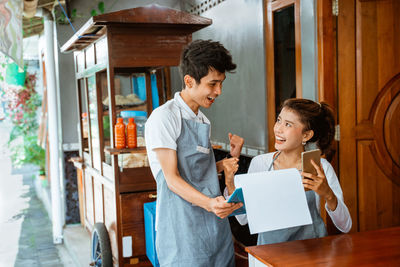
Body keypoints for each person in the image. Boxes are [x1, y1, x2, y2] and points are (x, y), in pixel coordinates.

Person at [145, 39, 244, 267]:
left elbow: (196, 172)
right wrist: (210, 204)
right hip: (182, 229)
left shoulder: (201, 119)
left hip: (214, 225)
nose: (218, 91)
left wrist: (227, 162)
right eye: (212, 84)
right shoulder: (164, 117)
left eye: (221, 84)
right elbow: (171, 179)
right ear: (189, 81)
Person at [224, 98, 352, 245]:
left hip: (314, 252)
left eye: (288, 124)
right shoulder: (261, 164)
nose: (278, 129)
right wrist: (229, 182)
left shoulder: (320, 168)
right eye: (279, 120)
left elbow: (345, 226)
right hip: (268, 253)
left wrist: (328, 194)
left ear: (306, 135)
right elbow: (243, 219)